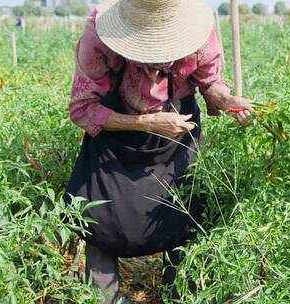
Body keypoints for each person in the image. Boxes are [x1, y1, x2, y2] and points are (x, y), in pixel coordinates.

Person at [64, 0, 253, 303]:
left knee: (185, 219)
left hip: (178, 136)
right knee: (101, 220)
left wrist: (225, 98)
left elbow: (210, 81)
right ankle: (101, 298)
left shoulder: (198, 28)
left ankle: (181, 296)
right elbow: (82, 109)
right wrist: (147, 123)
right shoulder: (100, 34)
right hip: (115, 142)